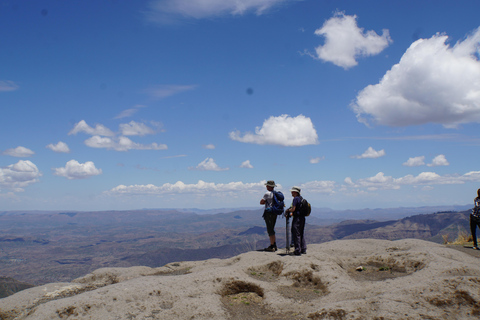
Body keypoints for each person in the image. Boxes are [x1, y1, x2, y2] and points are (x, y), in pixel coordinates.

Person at [285, 186, 306, 255]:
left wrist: (288, 210)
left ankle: (297, 250)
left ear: (295, 192)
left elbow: (293, 209)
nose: (291, 193)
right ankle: (303, 249)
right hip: (302, 218)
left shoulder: (295, 199)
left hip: (297, 218)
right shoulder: (301, 198)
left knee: (296, 233)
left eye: (292, 191)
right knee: (301, 233)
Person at [260, 180, 278, 252]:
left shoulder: (267, 193)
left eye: (267, 185)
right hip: (275, 213)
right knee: (272, 228)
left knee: (270, 230)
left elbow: (261, 202)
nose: (266, 186)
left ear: (269, 186)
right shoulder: (276, 193)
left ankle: (272, 246)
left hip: (269, 213)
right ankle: (274, 244)